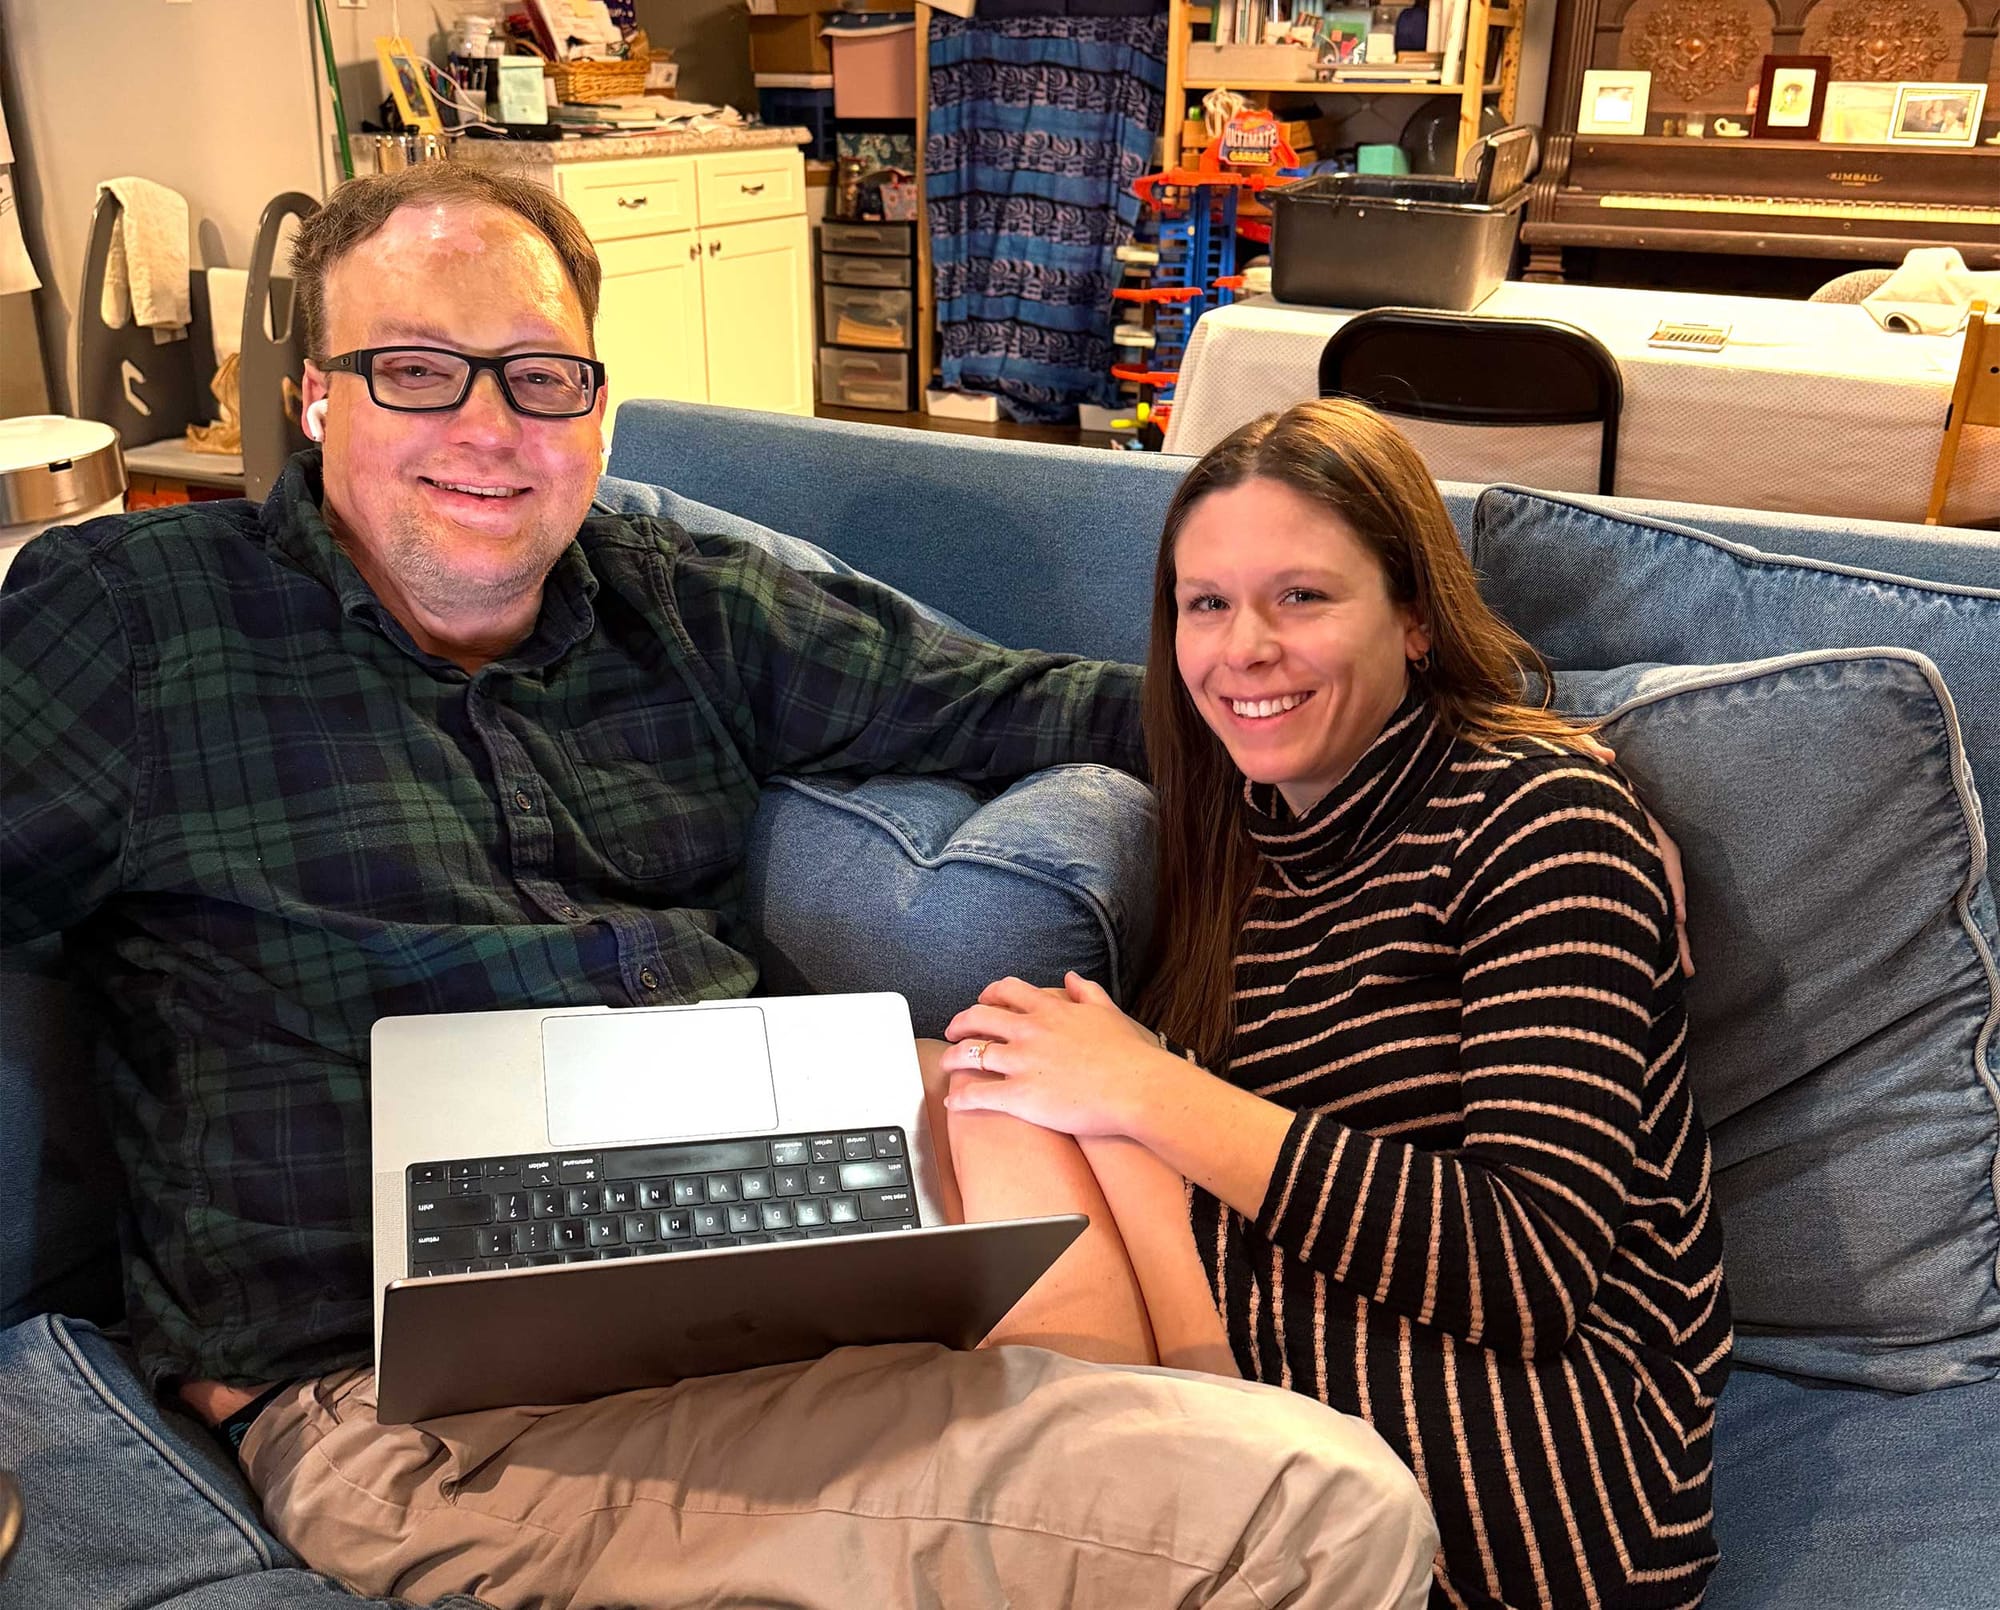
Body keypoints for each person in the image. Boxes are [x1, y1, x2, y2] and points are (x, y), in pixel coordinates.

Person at [0, 165, 1440, 1609]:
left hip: (756, 1263)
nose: (489, 430)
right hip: (416, 1404)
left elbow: (1023, 706)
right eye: (419, 372)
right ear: (319, 399)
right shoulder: (137, 623)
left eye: (541, 378)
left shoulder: (671, 601)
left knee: (1026, 1131)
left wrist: (1427, 716)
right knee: (1324, 1512)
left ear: (599, 409)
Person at [934, 399, 1734, 1609]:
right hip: (1341, 1339)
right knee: (980, 1077)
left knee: (1025, 1094)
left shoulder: (1541, 821)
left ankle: (1094, 1530)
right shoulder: (1255, 817)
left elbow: (1527, 1266)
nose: (1240, 646)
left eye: (1300, 596)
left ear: (1414, 615)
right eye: (1204, 604)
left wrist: (1148, 1091)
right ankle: (1100, 1532)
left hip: (1555, 1458)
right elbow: (988, 700)